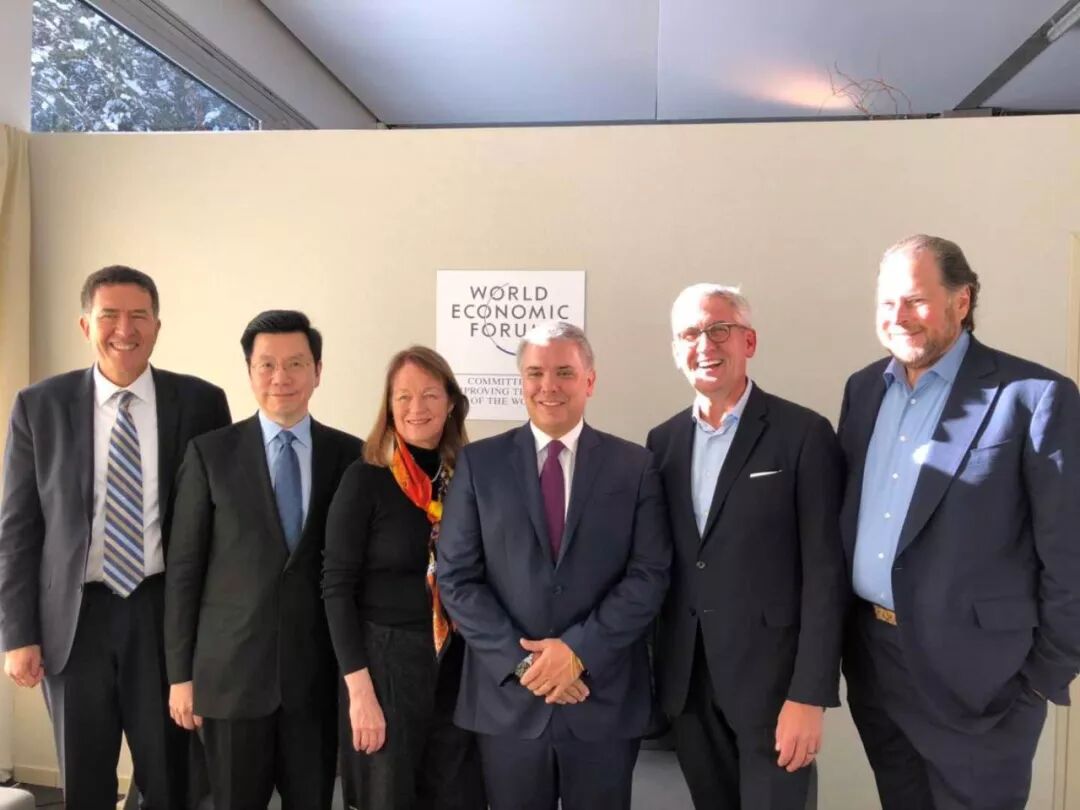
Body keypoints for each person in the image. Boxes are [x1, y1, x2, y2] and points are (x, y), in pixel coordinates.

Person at [839, 234, 1080, 810]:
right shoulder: (864, 389)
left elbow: (1069, 550)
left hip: (983, 683)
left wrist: (1041, 677)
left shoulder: (1034, 397)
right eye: (887, 303)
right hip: (877, 662)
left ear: (961, 300)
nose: (899, 317)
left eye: (916, 300)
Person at [0, 265, 231, 810]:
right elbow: (18, 528)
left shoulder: (201, 402)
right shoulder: (40, 405)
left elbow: (220, 525)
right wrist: (17, 634)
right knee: (85, 783)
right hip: (73, 622)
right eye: (109, 316)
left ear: (157, 326)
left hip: (163, 615)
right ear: (86, 325)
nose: (124, 329)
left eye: (139, 316)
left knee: (171, 778)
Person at [436, 321, 671, 810]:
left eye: (564, 372)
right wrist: (528, 665)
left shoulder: (635, 466)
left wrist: (578, 652)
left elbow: (649, 575)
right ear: (521, 381)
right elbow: (457, 579)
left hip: (602, 698)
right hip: (508, 703)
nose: (549, 386)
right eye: (535, 373)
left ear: (590, 380)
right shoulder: (479, 464)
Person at [647, 284, 845, 809]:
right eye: (690, 334)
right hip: (688, 687)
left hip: (775, 691)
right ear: (676, 350)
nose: (705, 345)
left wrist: (810, 694)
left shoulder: (803, 434)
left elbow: (826, 573)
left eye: (719, 330)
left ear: (749, 341)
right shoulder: (662, 443)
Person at [164, 310, 362, 810]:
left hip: (316, 680)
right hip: (230, 681)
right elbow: (184, 573)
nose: (281, 377)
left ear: (318, 371)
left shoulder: (352, 456)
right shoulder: (210, 454)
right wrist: (180, 677)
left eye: (296, 363)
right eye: (267, 364)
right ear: (250, 372)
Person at [323, 345, 486, 810]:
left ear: (451, 403)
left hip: (457, 662)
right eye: (404, 396)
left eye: (430, 394)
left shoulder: (469, 478)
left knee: (458, 795)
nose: (417, 408)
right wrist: (360, 693)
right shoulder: (365, 479)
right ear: (389, 406)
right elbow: (336, 588)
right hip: (384, 665)